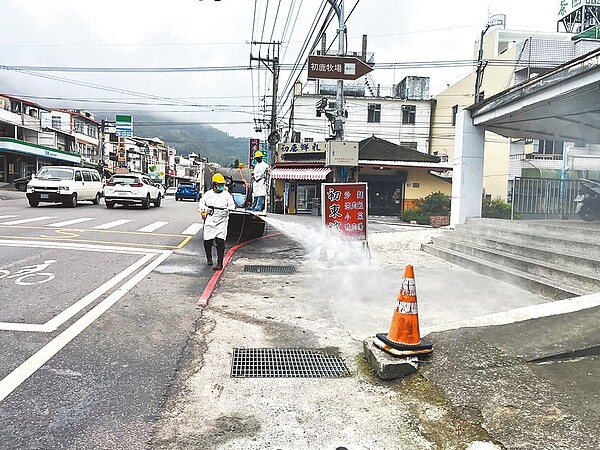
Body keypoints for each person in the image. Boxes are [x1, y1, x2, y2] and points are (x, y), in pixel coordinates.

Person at [199, 173, 236, 270]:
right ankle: (209, 258)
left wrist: (228, 209)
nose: (221, 186)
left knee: (220, 242)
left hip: (222, 221)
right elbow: (201, 204)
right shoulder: (208, 195)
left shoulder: (227, 195)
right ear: (214, 185)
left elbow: (232, 206)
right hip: (210, 220)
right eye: (219, 184)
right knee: (207, 241)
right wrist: (206, 209)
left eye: (222, 185)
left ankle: (220, 263)